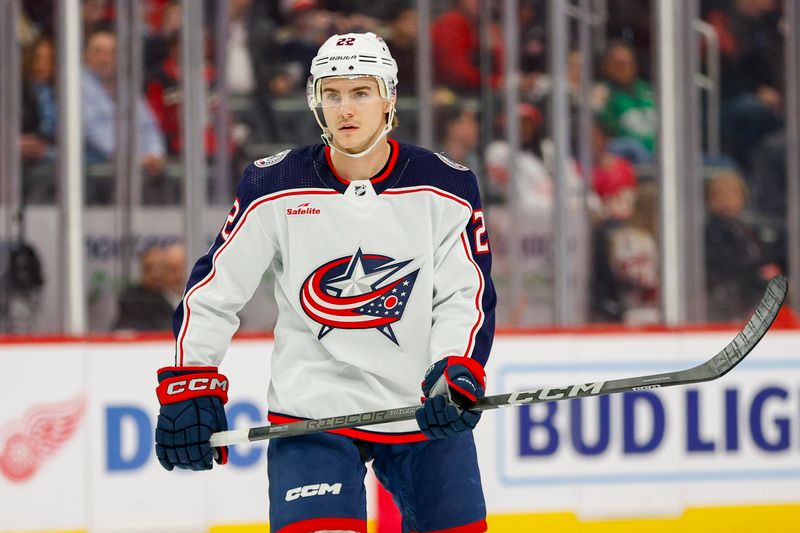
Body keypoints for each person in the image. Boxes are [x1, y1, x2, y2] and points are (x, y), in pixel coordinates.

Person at [154, 32, 496, 533]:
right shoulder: (274, 184)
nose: (346, 108)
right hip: (312, 413)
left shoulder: (445, 185)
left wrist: (456, 370)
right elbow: (213, 290)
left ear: (389, 99)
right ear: (316, 100)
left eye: (361, 92)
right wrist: (191, 380)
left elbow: (465, 294)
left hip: (423, 409)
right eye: (332, 94)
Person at [113, 246, 174, 331]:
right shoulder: (133, 299)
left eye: (160, 268)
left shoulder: (180, 294)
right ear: (141, 270)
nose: (155, 274)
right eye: (148, 268)